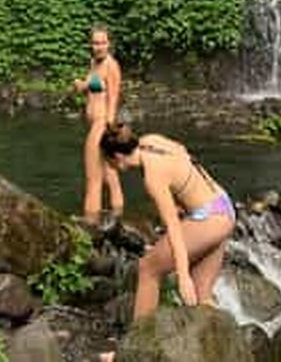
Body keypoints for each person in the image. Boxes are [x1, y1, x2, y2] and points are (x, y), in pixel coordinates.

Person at [100, 123, 235, 325]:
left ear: (118, 159)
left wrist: (182, 276)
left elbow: (173, 229)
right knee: (201, 298)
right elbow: (182, 151)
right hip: (224, 206)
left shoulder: (153, 178)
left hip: (209, 218)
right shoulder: (151, 140)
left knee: (147, 269)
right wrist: (184, 195)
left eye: (107, 162)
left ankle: (136, 349)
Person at [73, 25, 124, 223]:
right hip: (95, 122)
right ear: (90, 44)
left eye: (103, 42)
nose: (99, 46)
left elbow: (113, 98)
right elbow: (92, 85)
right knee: (109, 174)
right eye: (95, 42)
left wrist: (108, 130)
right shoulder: (94, 63)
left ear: (109, 43)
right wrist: (82, 85)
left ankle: (89, 222)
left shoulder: (112, 65)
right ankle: (118, 215)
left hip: (101, 124)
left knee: (92, 178)